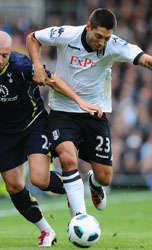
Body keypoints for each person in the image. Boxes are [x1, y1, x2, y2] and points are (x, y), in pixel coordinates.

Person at [0, 31, 102, 247]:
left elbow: (52, 80)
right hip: (5, 132)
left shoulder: (22, 64)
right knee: (14, 186)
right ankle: (47, 230)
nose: (0, 60)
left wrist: (79, 101)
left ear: (10, 53)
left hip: (34, 124)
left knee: (39, 179)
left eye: (4, 55)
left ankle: (78, 190)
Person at [26, 7, 152, 217]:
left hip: (95, 114)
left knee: (105, 178)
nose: (102, 42)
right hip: (63, 111)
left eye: (106, 37)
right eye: (99, 36)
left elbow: (145, 59)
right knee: (68, 159)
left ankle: (93, 182)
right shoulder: (67, 34)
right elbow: (33, 37)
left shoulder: (114, 45)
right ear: (88, 27)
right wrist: (37, 65)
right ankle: (80, 217)